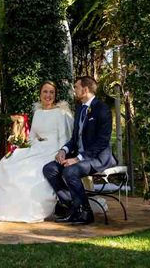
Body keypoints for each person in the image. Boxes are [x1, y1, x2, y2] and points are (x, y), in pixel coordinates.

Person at [0, 81, 74, 223]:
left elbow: (64, 137)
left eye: (51, 92)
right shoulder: (38, 112)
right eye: (45, 92)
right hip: (37, 148)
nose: (48, 95)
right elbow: (32, 136)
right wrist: (31, 147)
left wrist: (60, 152)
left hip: (53, 150)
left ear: (55, 95)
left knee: (33, 171)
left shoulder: (60, 113)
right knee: (9, 160)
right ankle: (2, 205)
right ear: (40, 94)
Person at [43, 76, 116, 225]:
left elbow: (102, 142)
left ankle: (85, 212)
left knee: (70, 171)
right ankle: (72, 207)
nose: (74, 90)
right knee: (49, 169)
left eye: (76, 87)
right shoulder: (80, 109)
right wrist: (64, 150)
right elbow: (75, 139)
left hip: (98, 157)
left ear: (85, 89)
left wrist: (78, 159)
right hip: (80, 156)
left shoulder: (102, 109)